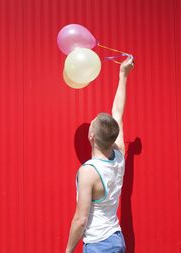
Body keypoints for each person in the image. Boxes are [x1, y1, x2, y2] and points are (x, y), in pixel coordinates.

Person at [65, 56, 135, 253]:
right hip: (116, 239)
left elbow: (81, 219)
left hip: (99, 246)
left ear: (91, 135)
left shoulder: (88, 172)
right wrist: (123, 75)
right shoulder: (119, 154)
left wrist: (68, 250)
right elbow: (118, 113)